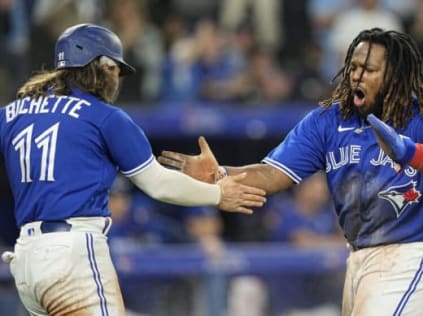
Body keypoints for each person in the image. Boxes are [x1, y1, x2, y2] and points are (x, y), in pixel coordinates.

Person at [159, 27, 423, 315]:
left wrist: (409, 151)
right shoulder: (327, 122)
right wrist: (219, 174)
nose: (356, 77)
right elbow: (272, 174)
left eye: (370, 70)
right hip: (360, 256)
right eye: (353, 68)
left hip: (414, 250)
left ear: (396, 78)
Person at [0, 23, 267, 316]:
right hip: (72, 254)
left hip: (25, 259)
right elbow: (157, 184)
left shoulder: (11, 113)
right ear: (99, 64)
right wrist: (217, 193)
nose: (117, 77)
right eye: (114, 68)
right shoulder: (103, 116)